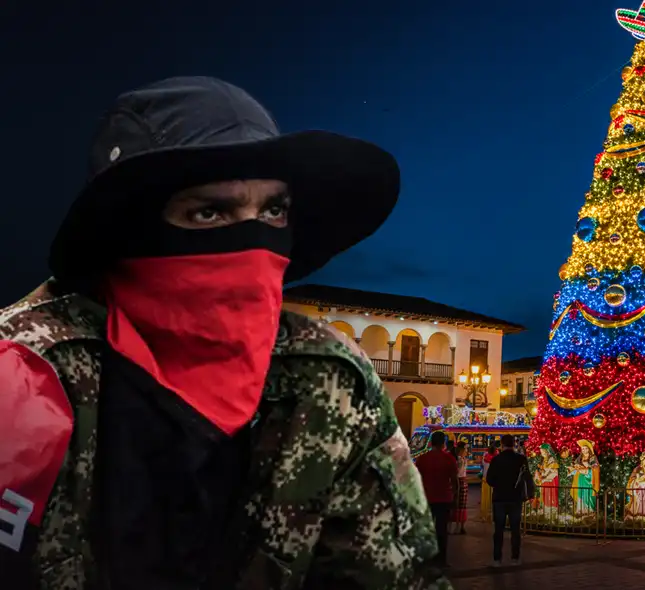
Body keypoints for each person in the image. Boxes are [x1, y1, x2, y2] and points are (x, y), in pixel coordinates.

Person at [0, 76, 447, 589]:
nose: (252, 245)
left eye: (273, 211)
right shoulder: (25, 377)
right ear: (133, 231)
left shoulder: (330, 381)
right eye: (209, 212)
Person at [415, 431, 459, 568]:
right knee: (442, 530)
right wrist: (455, 496)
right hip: (444, 498)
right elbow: (454, 480)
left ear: (430, 442)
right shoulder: (449, 459)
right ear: (443, 443)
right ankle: (441, 559)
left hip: (426, 498)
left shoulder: (422, 459)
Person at [486, 434, 529, 567]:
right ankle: (515, 557)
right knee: (515, 529)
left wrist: (499, 485)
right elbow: (526, 477)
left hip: (499, 498)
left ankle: (497, 559)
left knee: (498, 529)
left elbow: (489, 479)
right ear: (514, 444)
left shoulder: (496, 459)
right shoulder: (521, 459)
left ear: (502, 444)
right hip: (515, 498)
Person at [450, 441, 470, 534]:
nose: (467, 451)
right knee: (459, 504)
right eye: (465, 449)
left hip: (461, 482)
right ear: (462, 450)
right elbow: (457, 473)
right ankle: (458, 526)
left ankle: (459, 526)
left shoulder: (462, 459)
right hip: (459, 482)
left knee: (459, 504)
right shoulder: (459, 460)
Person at [481, 443, 500, 518]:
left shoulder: (485, 457)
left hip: (486, 480)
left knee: (486, 498)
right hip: (494, 481)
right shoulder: (497, 458)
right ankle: (493, 514)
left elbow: (483, 464)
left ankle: (485, 514)